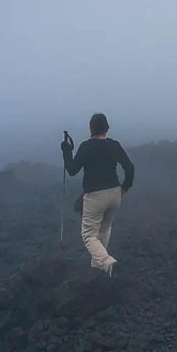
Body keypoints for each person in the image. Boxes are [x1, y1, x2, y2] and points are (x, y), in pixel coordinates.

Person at [61, 113, 135, 276]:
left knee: (88, 235)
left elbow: (72, 170)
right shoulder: (114, 145)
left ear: (91, 128)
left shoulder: (86, 147)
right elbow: (130, 168)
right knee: (104, 228)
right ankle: (97, 267)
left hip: (95, 196)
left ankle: (108, 263)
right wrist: (125, 188)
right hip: (115, 194)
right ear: (106, 128)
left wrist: (67, 152)